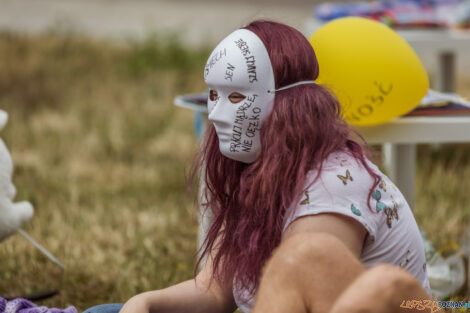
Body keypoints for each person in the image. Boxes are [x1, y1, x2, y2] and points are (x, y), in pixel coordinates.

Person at [84, 20, 432, 313]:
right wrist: (143, 303)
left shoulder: (333, 189)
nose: (217, 114)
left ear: (290, 105)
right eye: (214, 95)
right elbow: (216, 291)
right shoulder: (258, 170)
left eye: (236, 97)